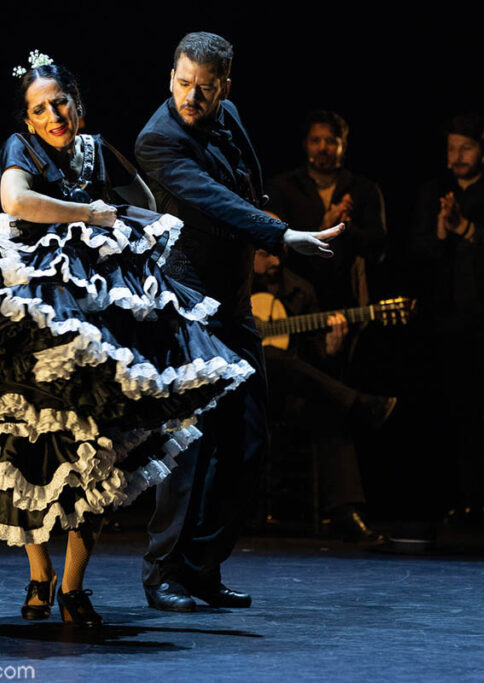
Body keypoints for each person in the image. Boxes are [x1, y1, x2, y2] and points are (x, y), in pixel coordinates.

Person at [0, 51, 254, 627]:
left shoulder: (97, 149)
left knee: (96, 446)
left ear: (78, 104)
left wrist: (124, 233)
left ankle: (74, 585)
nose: (53, 114)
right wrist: (92, 215)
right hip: (30, 309)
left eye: (61, 103)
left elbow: (147, 208)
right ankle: (39, 572)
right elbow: (16, 201)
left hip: (93, 315)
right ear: (27, 120)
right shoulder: (20, 149)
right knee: (25, 441)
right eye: (40, 109)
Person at [135, 32, 342, 612]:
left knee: (248, 441)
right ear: (170, 75)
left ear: (226, 86)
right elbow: (211, 200)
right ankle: (163, 573)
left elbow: (245, 183)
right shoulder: (157, 139)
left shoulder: (231, 115)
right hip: (187, 301)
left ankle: (202, 567)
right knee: (192, 446)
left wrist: (265, 230)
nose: (192, 97)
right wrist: (279, 233)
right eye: (182, 84)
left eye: (205, 88)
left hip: (233, 300)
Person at [408, 113, 484, 528]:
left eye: (466, 148)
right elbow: (419, 253)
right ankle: (470, 504)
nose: (457, 156)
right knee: (461, 414)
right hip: (450, 321)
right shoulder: (434, 192)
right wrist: (444, 233)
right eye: (452, 148)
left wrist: (466, 227)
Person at [252, 247, 395, 542]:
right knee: (269, 355)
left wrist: (331, 350)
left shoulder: (301, 291)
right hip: (244, 398)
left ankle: (345, 512)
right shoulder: (232, 290)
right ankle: (362, 403)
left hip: (289, 397)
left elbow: (318, 364)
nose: (276, 261)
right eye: (266, 253)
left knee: (330, 409)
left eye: (280, 253)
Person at [267, 110, 388, 318]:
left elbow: (379, 250)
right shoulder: (282, 188)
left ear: (343, 145)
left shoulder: (364, 189)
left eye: (331, 141)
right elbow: (274, 247)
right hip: (295, 306)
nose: (323, 148)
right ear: (305, 144)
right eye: (316, 140)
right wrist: (322, 228)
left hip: (348, 303)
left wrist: (346, 228)